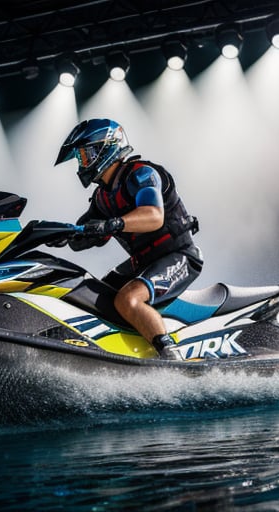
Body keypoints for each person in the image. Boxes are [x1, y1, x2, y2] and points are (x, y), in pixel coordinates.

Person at [54, 118, 203, 359]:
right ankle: (109, 351)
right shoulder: (102, 197)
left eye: (85, 155)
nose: (82, 163)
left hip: (179, 256)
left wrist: (113, 223)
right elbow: (83, 233)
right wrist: (63, 234)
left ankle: (171, 358)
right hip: (143, 263)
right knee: (94, 296)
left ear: (106, 147)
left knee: (129, 299)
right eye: (80, 158)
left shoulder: (142, 174)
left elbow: (153, 216)